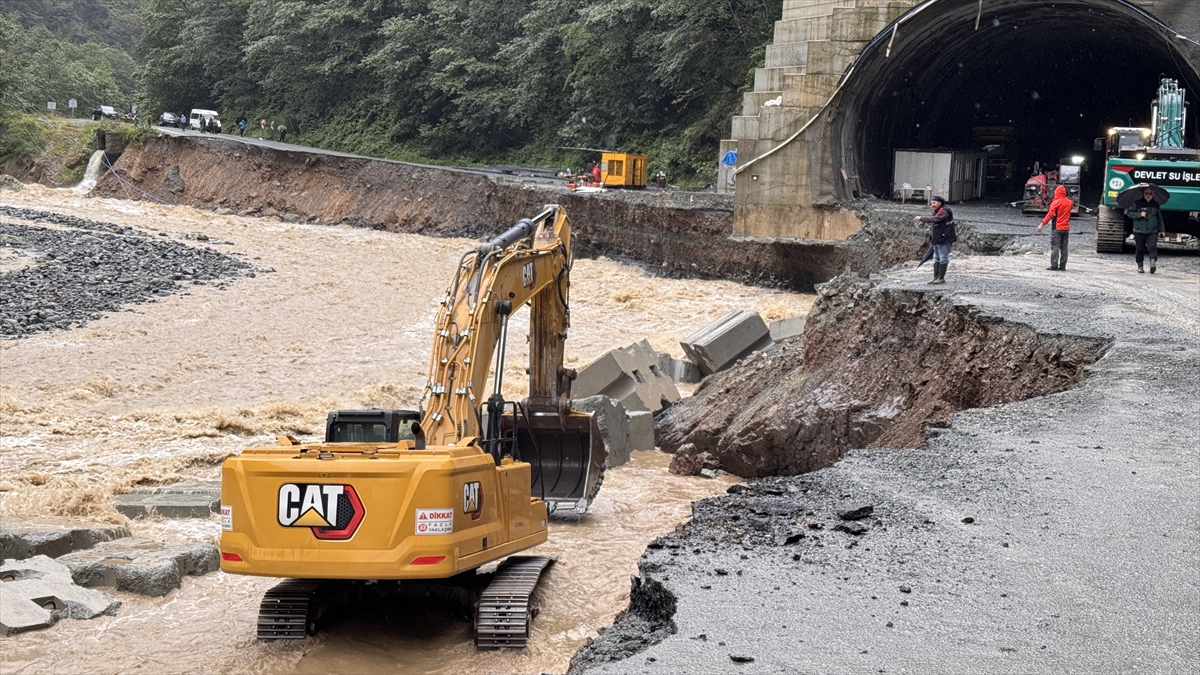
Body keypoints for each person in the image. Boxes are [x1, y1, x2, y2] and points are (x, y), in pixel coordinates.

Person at [913, 196, 956, 284]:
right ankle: (936, 278)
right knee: (936, 258)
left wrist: (921, 218)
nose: (932, 204)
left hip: (944, 238)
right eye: (931, 203)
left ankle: (941, 278)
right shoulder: (938, 210)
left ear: (940, 203)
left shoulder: (944, 211)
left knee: (943, 258)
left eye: (934, 203)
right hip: (937, 239)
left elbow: (935, 219)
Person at [1126, 186, 1166, 273]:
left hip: (1152, 231)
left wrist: (1162, 230)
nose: (1148, 195)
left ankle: (1152, 264)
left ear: (1153, 195)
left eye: (1150, 193)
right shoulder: (1137, 203)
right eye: (1146, 193)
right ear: (1143, 194)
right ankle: (1140, 265)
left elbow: (1159, 218)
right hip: (1139, 230)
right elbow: (1129, 213)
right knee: (1140, 249)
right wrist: (1139, 214)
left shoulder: (1155, 205)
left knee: (1152, 247)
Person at [1037, 184, 1074, 270]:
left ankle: (1054, 265)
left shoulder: (1055, 203)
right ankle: (1062, 266)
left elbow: (1050, 215)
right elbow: (1071, 207)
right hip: (1066, 228)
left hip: (1057, 228)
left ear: (1056, 192)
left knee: (1055, 246)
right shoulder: (1070, 203)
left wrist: (1042, 224)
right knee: (1064, 247)